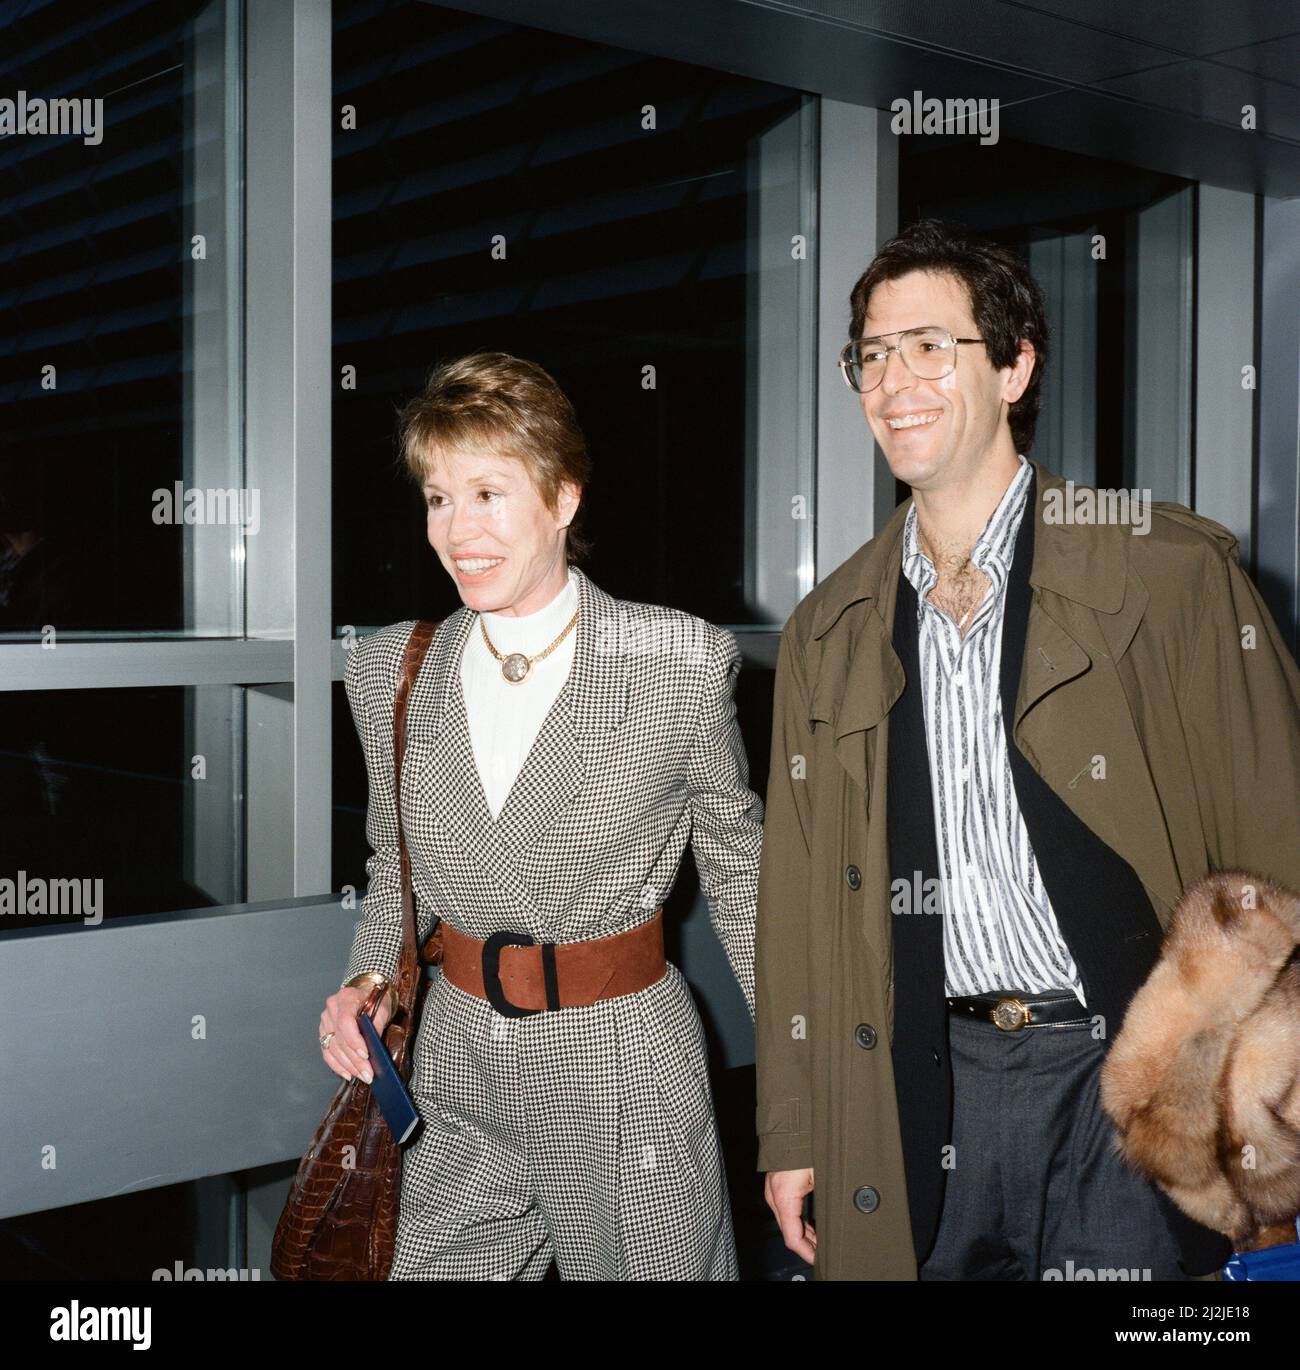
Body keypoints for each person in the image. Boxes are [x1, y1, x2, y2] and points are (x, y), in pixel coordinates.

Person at [754, 219, 1300, 1280]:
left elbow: (1277, 841)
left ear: (1013, 366)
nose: (891, 379)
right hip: (918, 1077)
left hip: (1130, 1073)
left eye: (928, 346)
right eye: (869, 353)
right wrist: (793, 1126)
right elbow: (800, 904)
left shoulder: (1166, 573)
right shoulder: (828, 630)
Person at [316, 351, 763, 1280]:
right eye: (438, 498)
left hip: (625, 1066)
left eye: (489, 493)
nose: (457, 530)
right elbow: (393, 865)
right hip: (452, 1070)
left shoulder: (673, 660)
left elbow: (745, 883)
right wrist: (368, 982)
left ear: (563, 500)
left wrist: (806, 1108)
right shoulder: (388, 670)